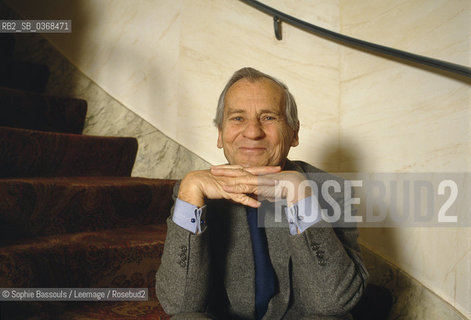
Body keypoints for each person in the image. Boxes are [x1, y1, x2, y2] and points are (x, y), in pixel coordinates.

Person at [156, 67, 368, 320]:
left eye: (268, 118)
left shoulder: (332, 190)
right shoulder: (193, 191)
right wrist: (190, 191)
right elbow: (179, 303)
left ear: (295, 133)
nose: (253, 132)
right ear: (220, 134)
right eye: (237, 118)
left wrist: (299, 194)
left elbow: (332, 303)